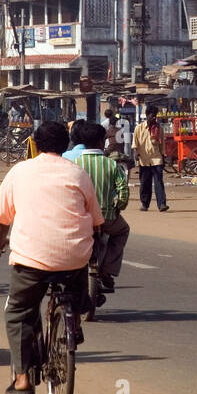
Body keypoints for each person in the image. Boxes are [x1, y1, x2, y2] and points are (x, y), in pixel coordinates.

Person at [0, 120, 103, 394]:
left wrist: (0, 241)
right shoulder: (78, 174)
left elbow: (1, 218)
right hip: (74, 258)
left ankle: (22, 379)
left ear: (35, 144)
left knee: (18, 312)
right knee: (77, 281)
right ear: (66, 145)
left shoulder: (20, 171)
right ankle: (74, 318)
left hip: (30, 259)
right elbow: (97, 221)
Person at [69, 121, 129, 292]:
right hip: (107, 217)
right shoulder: (111, 164)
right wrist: (118, 207)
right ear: (102, 143)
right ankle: (108, 271)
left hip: (80, 218)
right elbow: (123, 190)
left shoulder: (75, 164)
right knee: (123, 231)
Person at [132, 105, 168, 212]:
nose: (153, 118)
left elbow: (162, 145)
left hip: (156, 159)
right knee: (144, 184)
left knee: (159, 183)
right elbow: (135, 144)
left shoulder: (159, 129)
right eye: (152, 115)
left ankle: (162, 204)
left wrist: (163, 157)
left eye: (155, 116)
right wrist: (136, 153)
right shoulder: (139, 128)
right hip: (144, 160)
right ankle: (144, 204)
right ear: (147, 115)